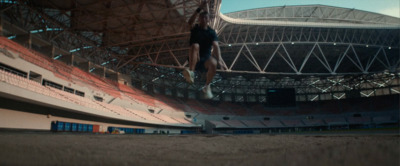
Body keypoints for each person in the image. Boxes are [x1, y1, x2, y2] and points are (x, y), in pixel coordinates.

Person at [182, 0, 227, 99]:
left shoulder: (211, 32)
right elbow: (190, 22)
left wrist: (219, 59)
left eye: (205, 17)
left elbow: (216, 46)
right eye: (201, 17)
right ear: (199, 19)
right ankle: (192, 72)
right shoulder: (195, 28)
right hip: (195, 58)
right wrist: (199, 9)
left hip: (205, 59)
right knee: (195, 46)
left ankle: (207, 86)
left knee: (214, 62)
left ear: (208, 19)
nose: (203, 19)